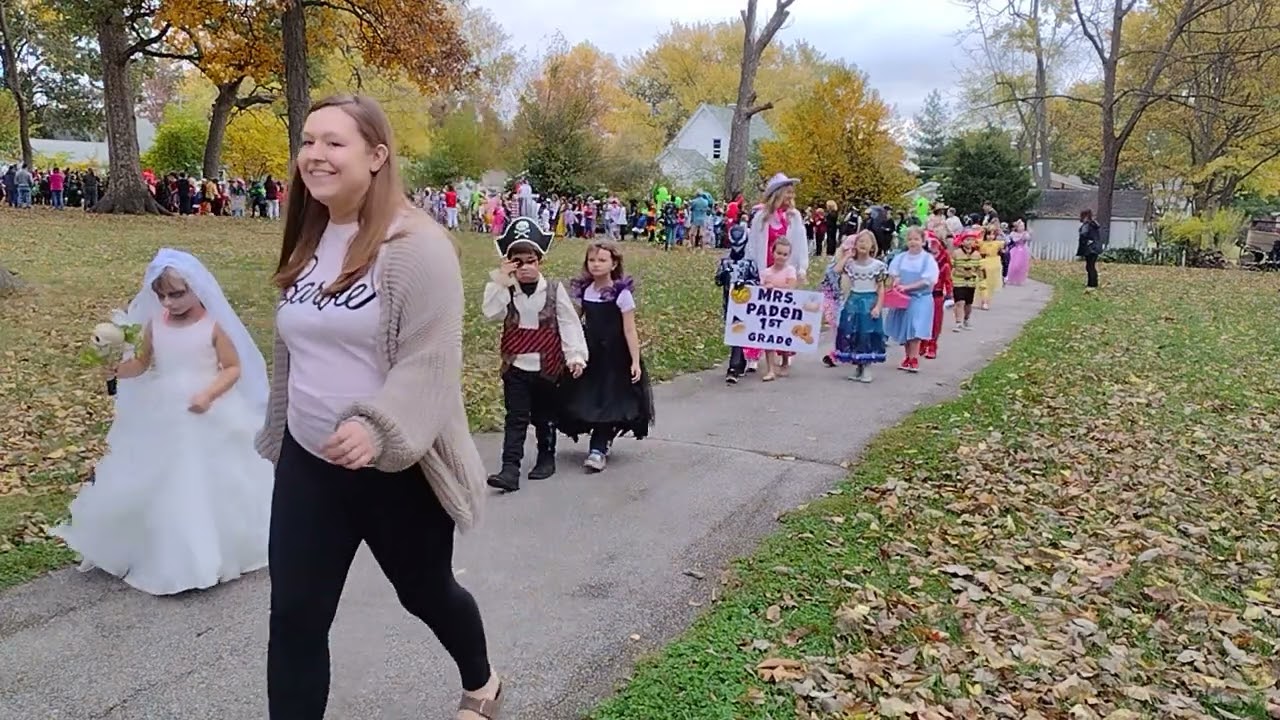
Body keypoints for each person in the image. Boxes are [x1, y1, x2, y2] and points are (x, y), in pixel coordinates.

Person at [253, 94, 501, 720]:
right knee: (296, 620)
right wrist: (284, 429)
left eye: (334, 143)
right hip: (311, 466)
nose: (314, 155)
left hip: (398, 471)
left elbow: (431, 362)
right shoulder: (307, 237)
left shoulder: (417, 246)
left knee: (426, 593)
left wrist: (375, 426)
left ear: (376, 155)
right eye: (308, 141)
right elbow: (296, 344)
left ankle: (483, 681)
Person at [53, 249, 272, 595]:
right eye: (162, 296)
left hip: (208, 409)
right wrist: (117, 369)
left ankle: (210, 549)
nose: (169, 303)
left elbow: (232, 368)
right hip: (165, 408)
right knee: (163, 475)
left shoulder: (213, 327)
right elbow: (142, 364)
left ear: (197, 288)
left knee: (205, 478)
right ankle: (163, 547)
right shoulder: (155, 326)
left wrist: (209, 394)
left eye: (177, 294)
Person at [481, 217, 588, 492]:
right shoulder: (505, 290)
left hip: (547, 365)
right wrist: (501, 279)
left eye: (530, 261)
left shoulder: (553, 290)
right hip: (515, 366)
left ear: (539, 262)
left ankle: (546, 456)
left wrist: (575, 355)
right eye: (518, 262)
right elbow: (490, 313)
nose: (525, 267)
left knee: (544, 415)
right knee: (515, 417)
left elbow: (568, 323)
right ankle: (510, 469)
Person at [560, 242, 655, 472]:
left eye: (602, 260)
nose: (596, 264)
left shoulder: (621, 294)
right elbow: (574, 321)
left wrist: (634, 360)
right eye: (592, 260)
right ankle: (600, 438)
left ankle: (598, 447)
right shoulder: (586, 291)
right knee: (589, 395)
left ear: (614, 264)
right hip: (591, 351)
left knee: (609, 398)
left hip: (615, 354)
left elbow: (630, 330)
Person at [831, 231, 887, 382]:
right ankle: (858, 365)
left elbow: (881, 288)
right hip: (853, 300)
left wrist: (878, 306)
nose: (863, 244)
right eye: (860, 241)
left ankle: (867, 365)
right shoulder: (851, 265)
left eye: (866, 242)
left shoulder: (878, 266)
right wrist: (848, 256)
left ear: (872, 246)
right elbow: (836, 271)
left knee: (866, 333)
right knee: (852, 332)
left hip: (869, 301)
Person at [883, 228, 940, 373]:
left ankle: (914, 358)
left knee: (915, 328)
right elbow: (894, 275)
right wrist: (896, 282)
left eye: (916, 239)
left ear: (922, 241)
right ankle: (907, 356)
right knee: (905, 328)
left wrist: (908, 287)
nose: (913, 242)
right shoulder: (901, 257)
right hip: (902, 299)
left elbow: (928, 280)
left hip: (920, 298)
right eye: (910, 239)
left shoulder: (927, 259)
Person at [717, 217, 760, 385]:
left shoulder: (749, 262)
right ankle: (739, 361)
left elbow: (756, 281)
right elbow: (718, 280)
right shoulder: (725, 261)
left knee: (739, 329)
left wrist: (747, 283)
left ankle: (734, 366)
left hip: (745, 302)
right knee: (733, 330)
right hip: (728, 300)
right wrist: (723, 275)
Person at [760, 237, 799, 382]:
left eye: (785, 254)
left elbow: (791, 286)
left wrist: (774, 287)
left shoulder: (790, 270)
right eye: (779, 253)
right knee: (768, 339)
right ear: (772, 252)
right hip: (769, 312)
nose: (781, 257)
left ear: (789, 256)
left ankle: (784, 361)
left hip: (785, 311)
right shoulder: (766, 273)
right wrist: (765, 287)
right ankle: (770, 369)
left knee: (783, 338)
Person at [950, 229, 982, 332]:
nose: (969, 242)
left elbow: (980, 269)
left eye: (972, 240)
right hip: (958, 280)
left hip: (971, 282)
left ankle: (966, 319)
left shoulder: (977, 254)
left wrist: (982, 281)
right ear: (962, 241)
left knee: (968, 304)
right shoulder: (956, 253)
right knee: (960, 302)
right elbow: (951, 266)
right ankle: (958, 322)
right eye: (967, 239)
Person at [978, 223, 1004, 310]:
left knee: (991, 284)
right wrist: (981, 232)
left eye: (993, 234)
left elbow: (1006, 242)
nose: (991, 236)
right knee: (983, 282)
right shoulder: (981, 243)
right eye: (989, 234)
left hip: (994, 263)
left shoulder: (997, 243)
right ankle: (984, 301)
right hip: (984, 263)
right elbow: (975, 241)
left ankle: (986, 300)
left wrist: (1001, 233)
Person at [1077, 209, 1102, 290]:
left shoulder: (1087, 225)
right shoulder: (1094, 224)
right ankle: (1092, 283)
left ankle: (1092, 284)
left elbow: (1084, 234)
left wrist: (1084, 241)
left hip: (1090, 248)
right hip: (1096, 247)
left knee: (1090, 266)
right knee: (1091, 266)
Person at [1005, 219, 1031, 286]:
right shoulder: (1013, 233)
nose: (1022, 228)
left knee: (1021, 265)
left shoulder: (1025, 234)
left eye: (1023, 226)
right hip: (1015, 250)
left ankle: (1019, 279)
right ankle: (1010, 278)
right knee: (1013, 265)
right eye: (1021, 226)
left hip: (1023, 250)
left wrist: (1027, 234)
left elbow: (1027, 238)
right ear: (1017, 227)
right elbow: (1013, 240)